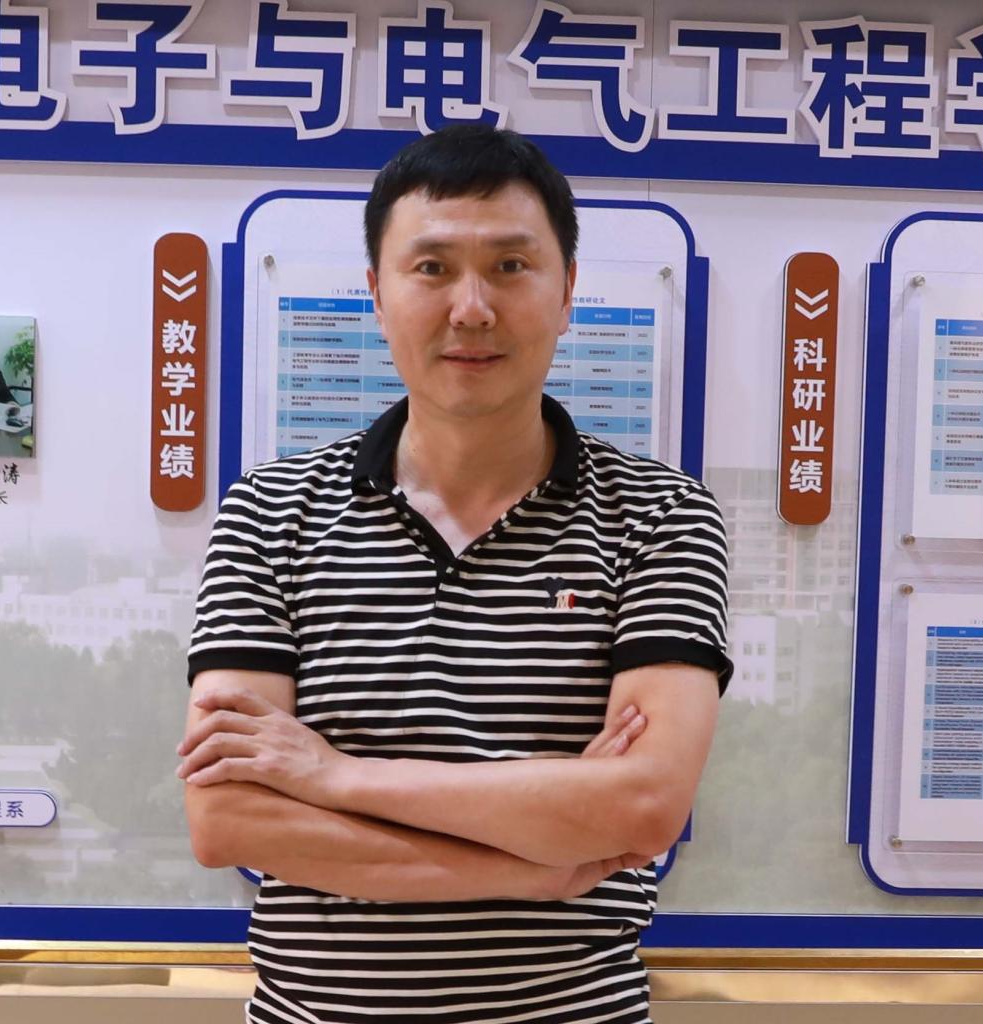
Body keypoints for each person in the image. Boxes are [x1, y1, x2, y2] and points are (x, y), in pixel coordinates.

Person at [179, 124, 731, 1024]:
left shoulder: (659, 516)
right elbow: (229, 822)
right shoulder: (270, 512)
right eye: (432, 268)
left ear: (567, 292)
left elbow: (639, 806)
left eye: (511, 266)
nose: (471, 308)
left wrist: (332, 776)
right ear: (377, 292)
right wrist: (532, 865)